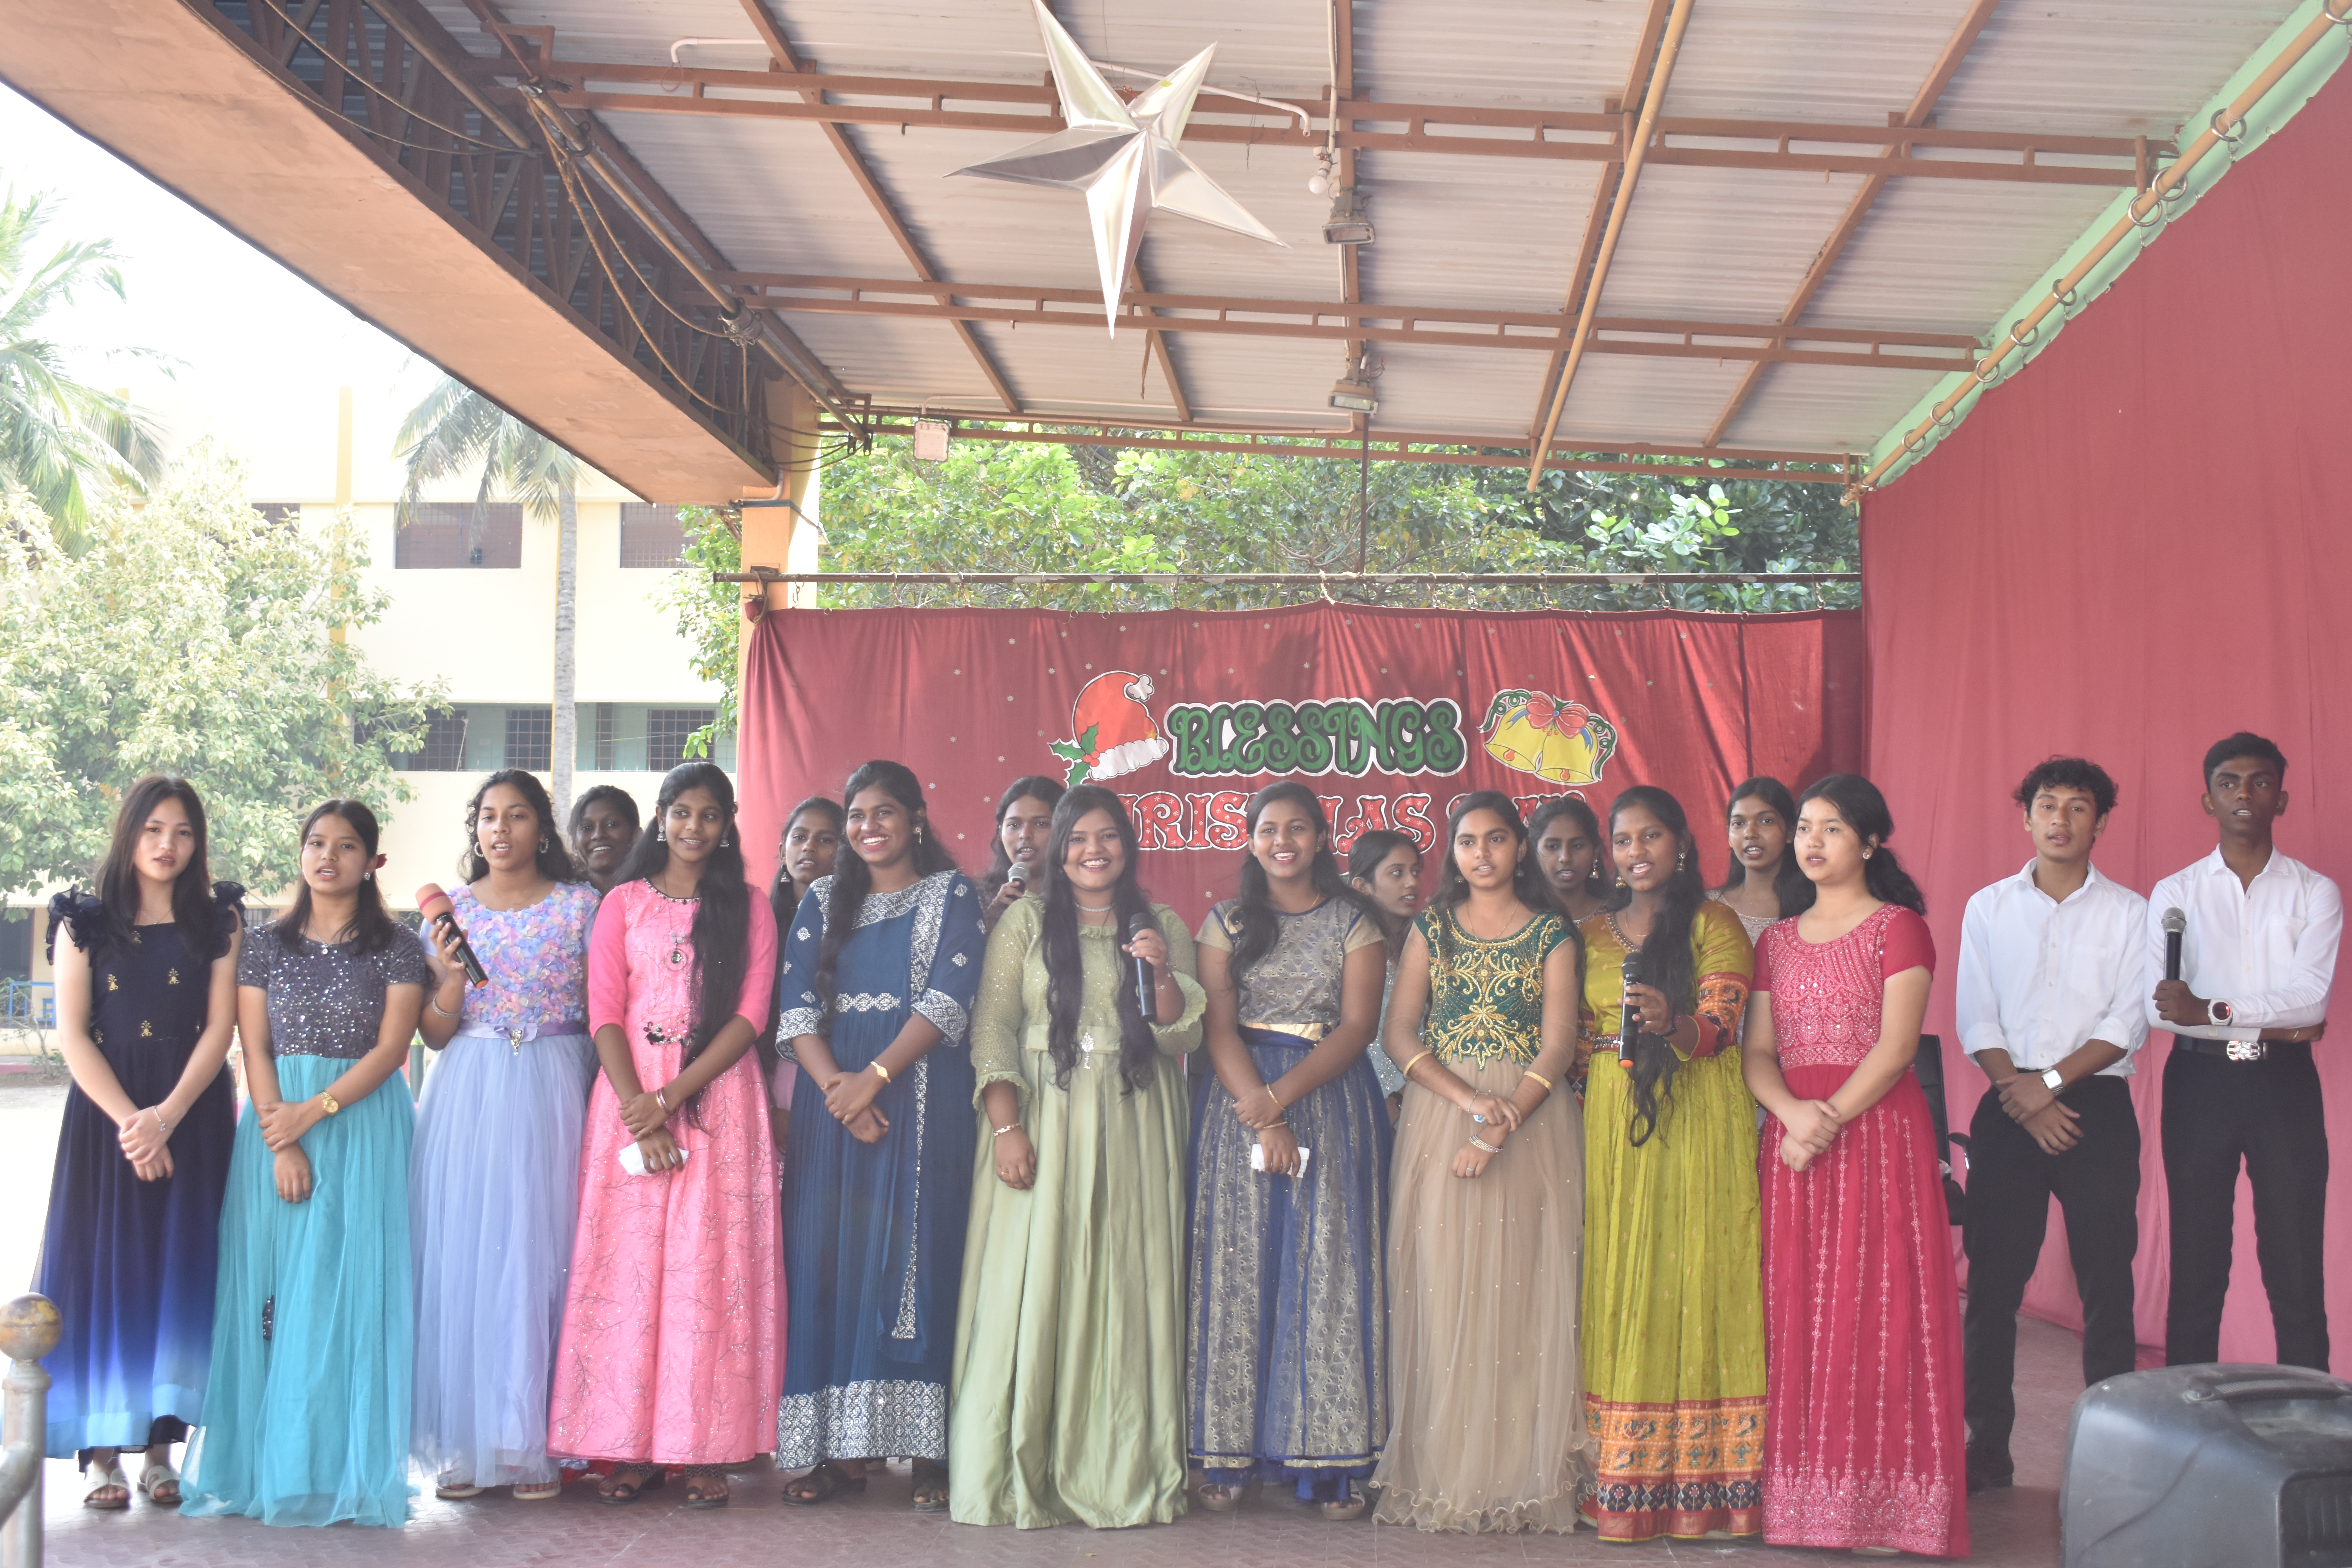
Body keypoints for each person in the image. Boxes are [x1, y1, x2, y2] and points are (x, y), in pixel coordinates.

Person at [949, 786, 1207, 1527]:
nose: (1095, 851)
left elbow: (1183, 1036)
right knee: (1035, 1283)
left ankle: (1122, 1464)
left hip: (1136, 1118)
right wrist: (1007, 1126)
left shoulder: (1161, 924)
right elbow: (993, 1025)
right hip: (1043, 1117)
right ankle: (1021, 1468)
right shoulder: (1027, 922)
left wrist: (1160, 970)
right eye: (1079, 838)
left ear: (1128, 846)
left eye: (1109, 837)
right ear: (1058, 849)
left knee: (1126, 1281)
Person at [179, 800, 428, 1528]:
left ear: (373, 862)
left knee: (350, 1295)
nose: (328, 857)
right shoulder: (263, 943)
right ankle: (271, 1466)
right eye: (316, 843)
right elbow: (253, 1046)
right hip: (274, 1127)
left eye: (346, 846)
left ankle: (345, 1468)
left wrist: (312, 1113)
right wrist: (282, 1139)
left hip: (362, 1127)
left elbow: (392, 1049)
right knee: (278, 1293)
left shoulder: (399, 945)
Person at [546, 761, 781, 1507]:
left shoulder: (749, 907)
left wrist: (671, 1098)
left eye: (709, 815)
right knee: (629, 1273)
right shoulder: (621, 903)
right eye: (681, 813)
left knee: (707, 1276)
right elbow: (604, 1010)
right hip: (629, 1095)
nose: (694, 827)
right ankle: (630, 1449)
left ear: (728, 824)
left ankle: (704, 1449)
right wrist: (636, 1107)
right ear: (661, 817)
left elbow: (751, 1015)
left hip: (718, 1098)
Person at [1744, 774, 1966, 1558]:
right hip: (1795, 1143)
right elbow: (1757, 1053)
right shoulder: (1775, 941)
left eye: (1832, 828)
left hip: (1875, 1142)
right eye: (1806, 827)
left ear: (1871, 842)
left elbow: (1897, 1048)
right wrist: (1792, 1114)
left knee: (1881, 1310)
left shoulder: (1899, 928)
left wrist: (1824, 1120)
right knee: (1797, 1312)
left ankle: (1885, 1508)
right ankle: (1801, 1503)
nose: (1812, 841)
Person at [1371, 792, 1587, 1532]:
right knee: (1444, 1287)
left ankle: (1517, 1477)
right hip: (1441, 1113)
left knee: (1525, 1289)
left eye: (1497, 839)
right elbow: (1399, 1034)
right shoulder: (1432, 928)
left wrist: (1500, 1121)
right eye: (1468, 841)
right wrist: (1468, 1100)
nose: (1482, 853)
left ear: (1520, 849)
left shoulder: (1551, 933)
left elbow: (1558, 1046)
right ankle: (1446, 1470)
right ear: (1454, 852)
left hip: (1531, 1121)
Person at [776, 760, 986, 1511]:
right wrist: (842, 1091)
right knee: (828, 1265)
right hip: (833, 1108)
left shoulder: (951, 894)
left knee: (922, 1262)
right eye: (857, 816)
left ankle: (931, 1454)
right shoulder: (821, 900)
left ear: (916, 820)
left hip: (921, 1104)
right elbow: (795, 1008)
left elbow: (949, 999)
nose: (869, 828)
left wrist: (875, 1079)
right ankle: (840, 1454)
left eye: (885, 813)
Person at [1189, 783, 1391, 1519]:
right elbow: (1217, 1028)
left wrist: (1282, 1100)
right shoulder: (1227, 921)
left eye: (1298, 828)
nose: (1283, 842)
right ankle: (1226, 1456)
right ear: (1250, 841)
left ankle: (1333, 1461)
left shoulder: (1354, 922)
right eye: (1269, 829)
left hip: (1329, 1100)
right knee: (1236, 1268)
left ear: (1321, 839)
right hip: (1237, 1101)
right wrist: (1262, 1112)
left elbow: (1358, 1028)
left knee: (1328, 1269)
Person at [39, 777, 242, 1510]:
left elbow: (222, 1029)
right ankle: (102, 1458)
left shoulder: (218, 921)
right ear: (129, 834)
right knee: (106, 1269)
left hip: (193, 1115)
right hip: (107, 1121)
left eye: (183, 832)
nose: (168, 845)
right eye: (154, 829)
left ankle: (161, 1453)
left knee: (179, 1269)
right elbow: (72, 1035)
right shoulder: (82, 922)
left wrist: (167, 1118)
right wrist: (135, 1123)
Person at [1954, 757, 2149, 1496]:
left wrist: (2050, 1087)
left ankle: (2112, 1451)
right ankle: (1987, 1449)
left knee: (2108, 1283)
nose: (2061, 819)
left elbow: (2127, 1022)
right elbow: (1976, 1014)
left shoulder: (2131, 912)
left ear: (2101, 823)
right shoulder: (1989, 907)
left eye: (2078, 807)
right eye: (2047, 805)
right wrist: (2021, 1092)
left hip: (2094, 1107)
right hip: (2008, 1104)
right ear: (2026, 816)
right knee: (1993, 1286)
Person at [1577, 786, 1762, 1542]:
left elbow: (1720, 1029)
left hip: (1698, 1116)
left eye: (1651, 837)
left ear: (1682, 843)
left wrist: (1672, 1023)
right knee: (1620, 1271)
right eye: (1623, 840)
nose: (1636, 853)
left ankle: (1700, 1488)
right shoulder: (1589, 934)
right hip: (1611, 1118)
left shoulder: (1716, 923)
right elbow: (1575, 1038)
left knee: (1695, 1271)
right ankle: (1619, 1481)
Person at [410, 771, 601, 1503]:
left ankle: (533, 1442)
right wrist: (450, 980)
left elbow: (606, 1006)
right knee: (470, 1257)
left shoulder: (582, 906)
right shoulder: (451, 914)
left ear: (542, 829)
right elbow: (433, 1033)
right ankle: (469, 1440)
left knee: (543, 1255)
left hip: (556, 1084)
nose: (500, 829)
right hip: (470, 1089)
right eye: (488, 817)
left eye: (516, 816)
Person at [2145, 732, 2340, 1370]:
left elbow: (2309, 1004)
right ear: (2209, 801)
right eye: (2228, 783)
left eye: (2260, 782)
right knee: (2197, 1265)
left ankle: (2309, 1418)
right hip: (2199, 1086)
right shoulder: (2175, 893)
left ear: (2281, 799)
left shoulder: (2315, 892)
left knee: (2296, 1267)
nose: (2244, 794)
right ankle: (2187, 1409)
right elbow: (2161, 1009)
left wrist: (2214, 1011)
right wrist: (2272, 1024)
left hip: (2285, 1087)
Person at [1347, 828, 1423, 1109]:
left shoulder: (1428, 943)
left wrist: (1399, 1101)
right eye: (1397, 873)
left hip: (1421, 1097)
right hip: (1357, 1100)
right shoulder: (1344, 952)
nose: (1412, 882)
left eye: (1415, 872)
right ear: (1362, 885)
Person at [1711, 777, 1809, 942]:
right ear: (1729, 835)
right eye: (1739, 823)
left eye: (1766, 821)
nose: (1750, 833)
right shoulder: (1709, 907)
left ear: (1791, 832)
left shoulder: (1814, 906)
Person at [977, 777, 1064, 933]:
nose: (1025, 834)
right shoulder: (978, 901)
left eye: (1041, 824)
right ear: (1000, 831)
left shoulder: (1084, 897)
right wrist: (989, 921)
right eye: (1014, 825)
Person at [1530, 796, 1613, 925]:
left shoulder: (1616, 917)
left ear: (1595, 852)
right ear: (1534, 851)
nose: (1565, 857)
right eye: (1552, 847)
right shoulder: (1522, 920)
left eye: (1577, 846)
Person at [769, 795, 845, 930]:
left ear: (844, 853)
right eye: (800, 837)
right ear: (783, 853)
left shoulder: (857, 920)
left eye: (825, 840)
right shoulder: (763, 917)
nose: (809, 847)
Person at [568, 785, 641, 895]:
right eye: (587, 828)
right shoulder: (560, 898)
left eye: (612, 825)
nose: (598, 835)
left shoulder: (656, 892)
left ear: (635, 834)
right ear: (574, 841)